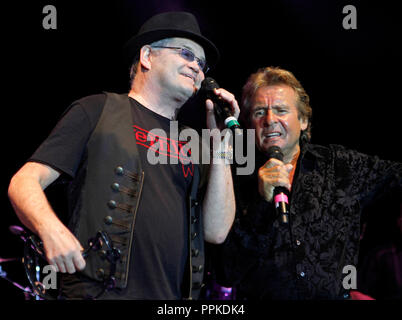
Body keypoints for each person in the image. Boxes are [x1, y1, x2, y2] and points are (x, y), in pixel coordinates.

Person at [7, 11, 238, 300]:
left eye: (202, 64)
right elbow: (24, 181)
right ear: (147, 56)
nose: (197, 69)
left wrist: (221, 147)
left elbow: (216, 232)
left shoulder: (194, 142)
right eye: (186, 54)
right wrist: (50, 228)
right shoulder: (96, 110)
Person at [212, 66, 402, 300]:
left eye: (281, 110)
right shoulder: (233, 178)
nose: (270, 120)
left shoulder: (340, 166)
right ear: (250, 124)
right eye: (260, 112)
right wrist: (262, 203)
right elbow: (226, 271)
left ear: (303, 120)